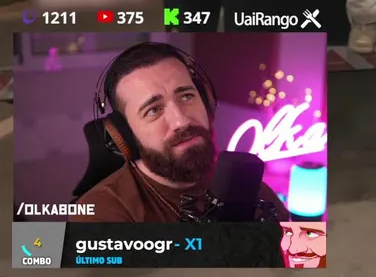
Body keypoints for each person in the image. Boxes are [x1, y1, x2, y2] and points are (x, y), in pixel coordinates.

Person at [72, 43, 288, 223]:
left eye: (186, 96)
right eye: (153, 110)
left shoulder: (246, 185)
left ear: (206, 102)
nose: (181, 121)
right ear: (125, 133)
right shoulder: (101, 212)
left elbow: (303, 254)